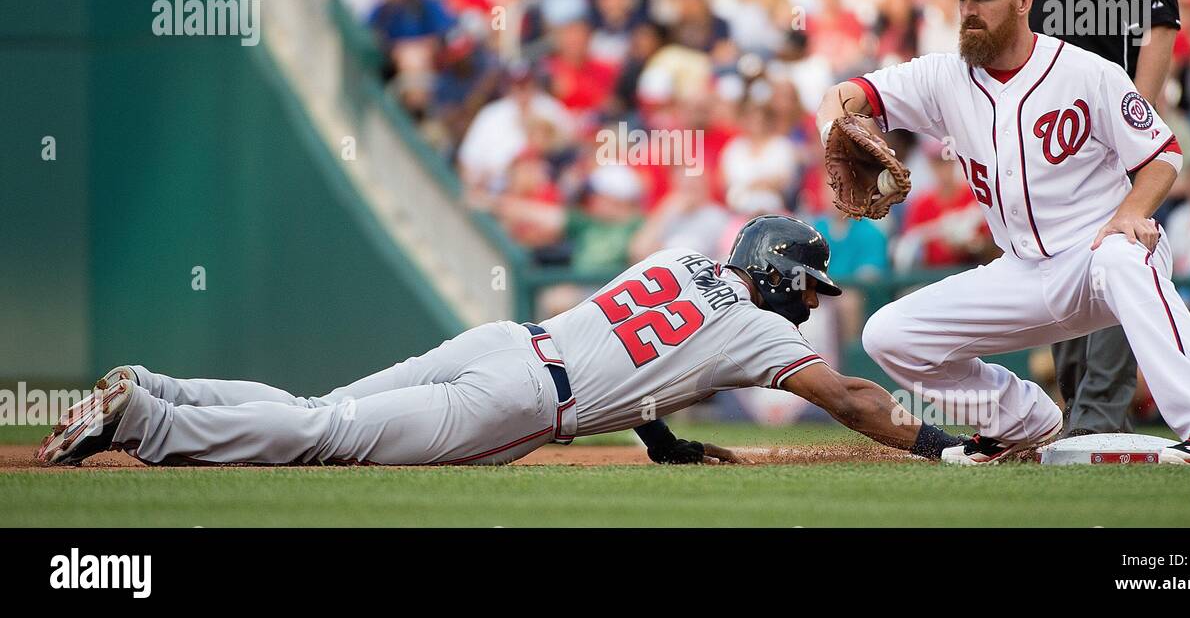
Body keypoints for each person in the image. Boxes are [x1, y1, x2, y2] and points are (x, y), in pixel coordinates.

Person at [38, 217, 965, 467]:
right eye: (804, 285)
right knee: (329, 438)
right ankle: (149, 423)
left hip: (503, 342)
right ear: (774, 270)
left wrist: (664, 437)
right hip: (523, 402)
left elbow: (639, 354)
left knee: (326, 411)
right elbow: (851, 401)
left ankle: (160, 389)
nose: (807, 303)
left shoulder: (683, 259)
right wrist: (939, 444)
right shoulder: (758, 324)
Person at [816, 0, 1190, 466]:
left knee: (1126, 255)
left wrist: (1132, 212)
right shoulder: (943, 77)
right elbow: (844, 94)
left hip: (1097, 256)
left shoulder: (1087, 73)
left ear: (1023, 0)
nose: (970, 10)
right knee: (889, 334)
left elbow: (1163, 154)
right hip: (1020, 272)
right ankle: (1019, 421)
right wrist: (834, 128)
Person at [1001, 0, 1181, 437]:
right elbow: (1001, 22)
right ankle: (1084, 413)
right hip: (1039, 131)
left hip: (1106, 124)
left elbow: (1158, 31)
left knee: (1118, 256)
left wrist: (1140, 119)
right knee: (1060, 268)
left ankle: (1101, 414)